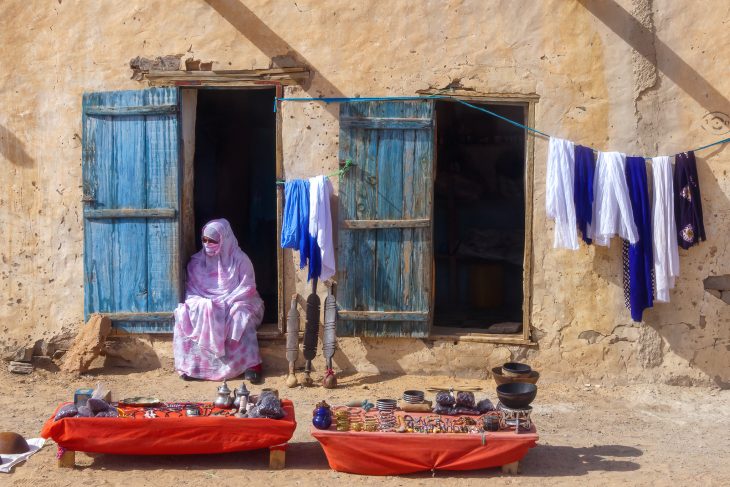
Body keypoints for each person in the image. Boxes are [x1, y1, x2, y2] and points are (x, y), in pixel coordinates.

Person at [173, 219, 265, 383]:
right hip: (209, 304)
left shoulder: (240, 260)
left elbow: (248, 288)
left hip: (239, 301)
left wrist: (225, 304)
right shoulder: (196, 263)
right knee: (184, 314)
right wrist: (206, 305)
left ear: (224, 239)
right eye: (205, 240)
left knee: (240, 317)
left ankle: (251, 366)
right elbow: (191, 291)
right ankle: (194, 367)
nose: (208, 244)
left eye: (213, 241)